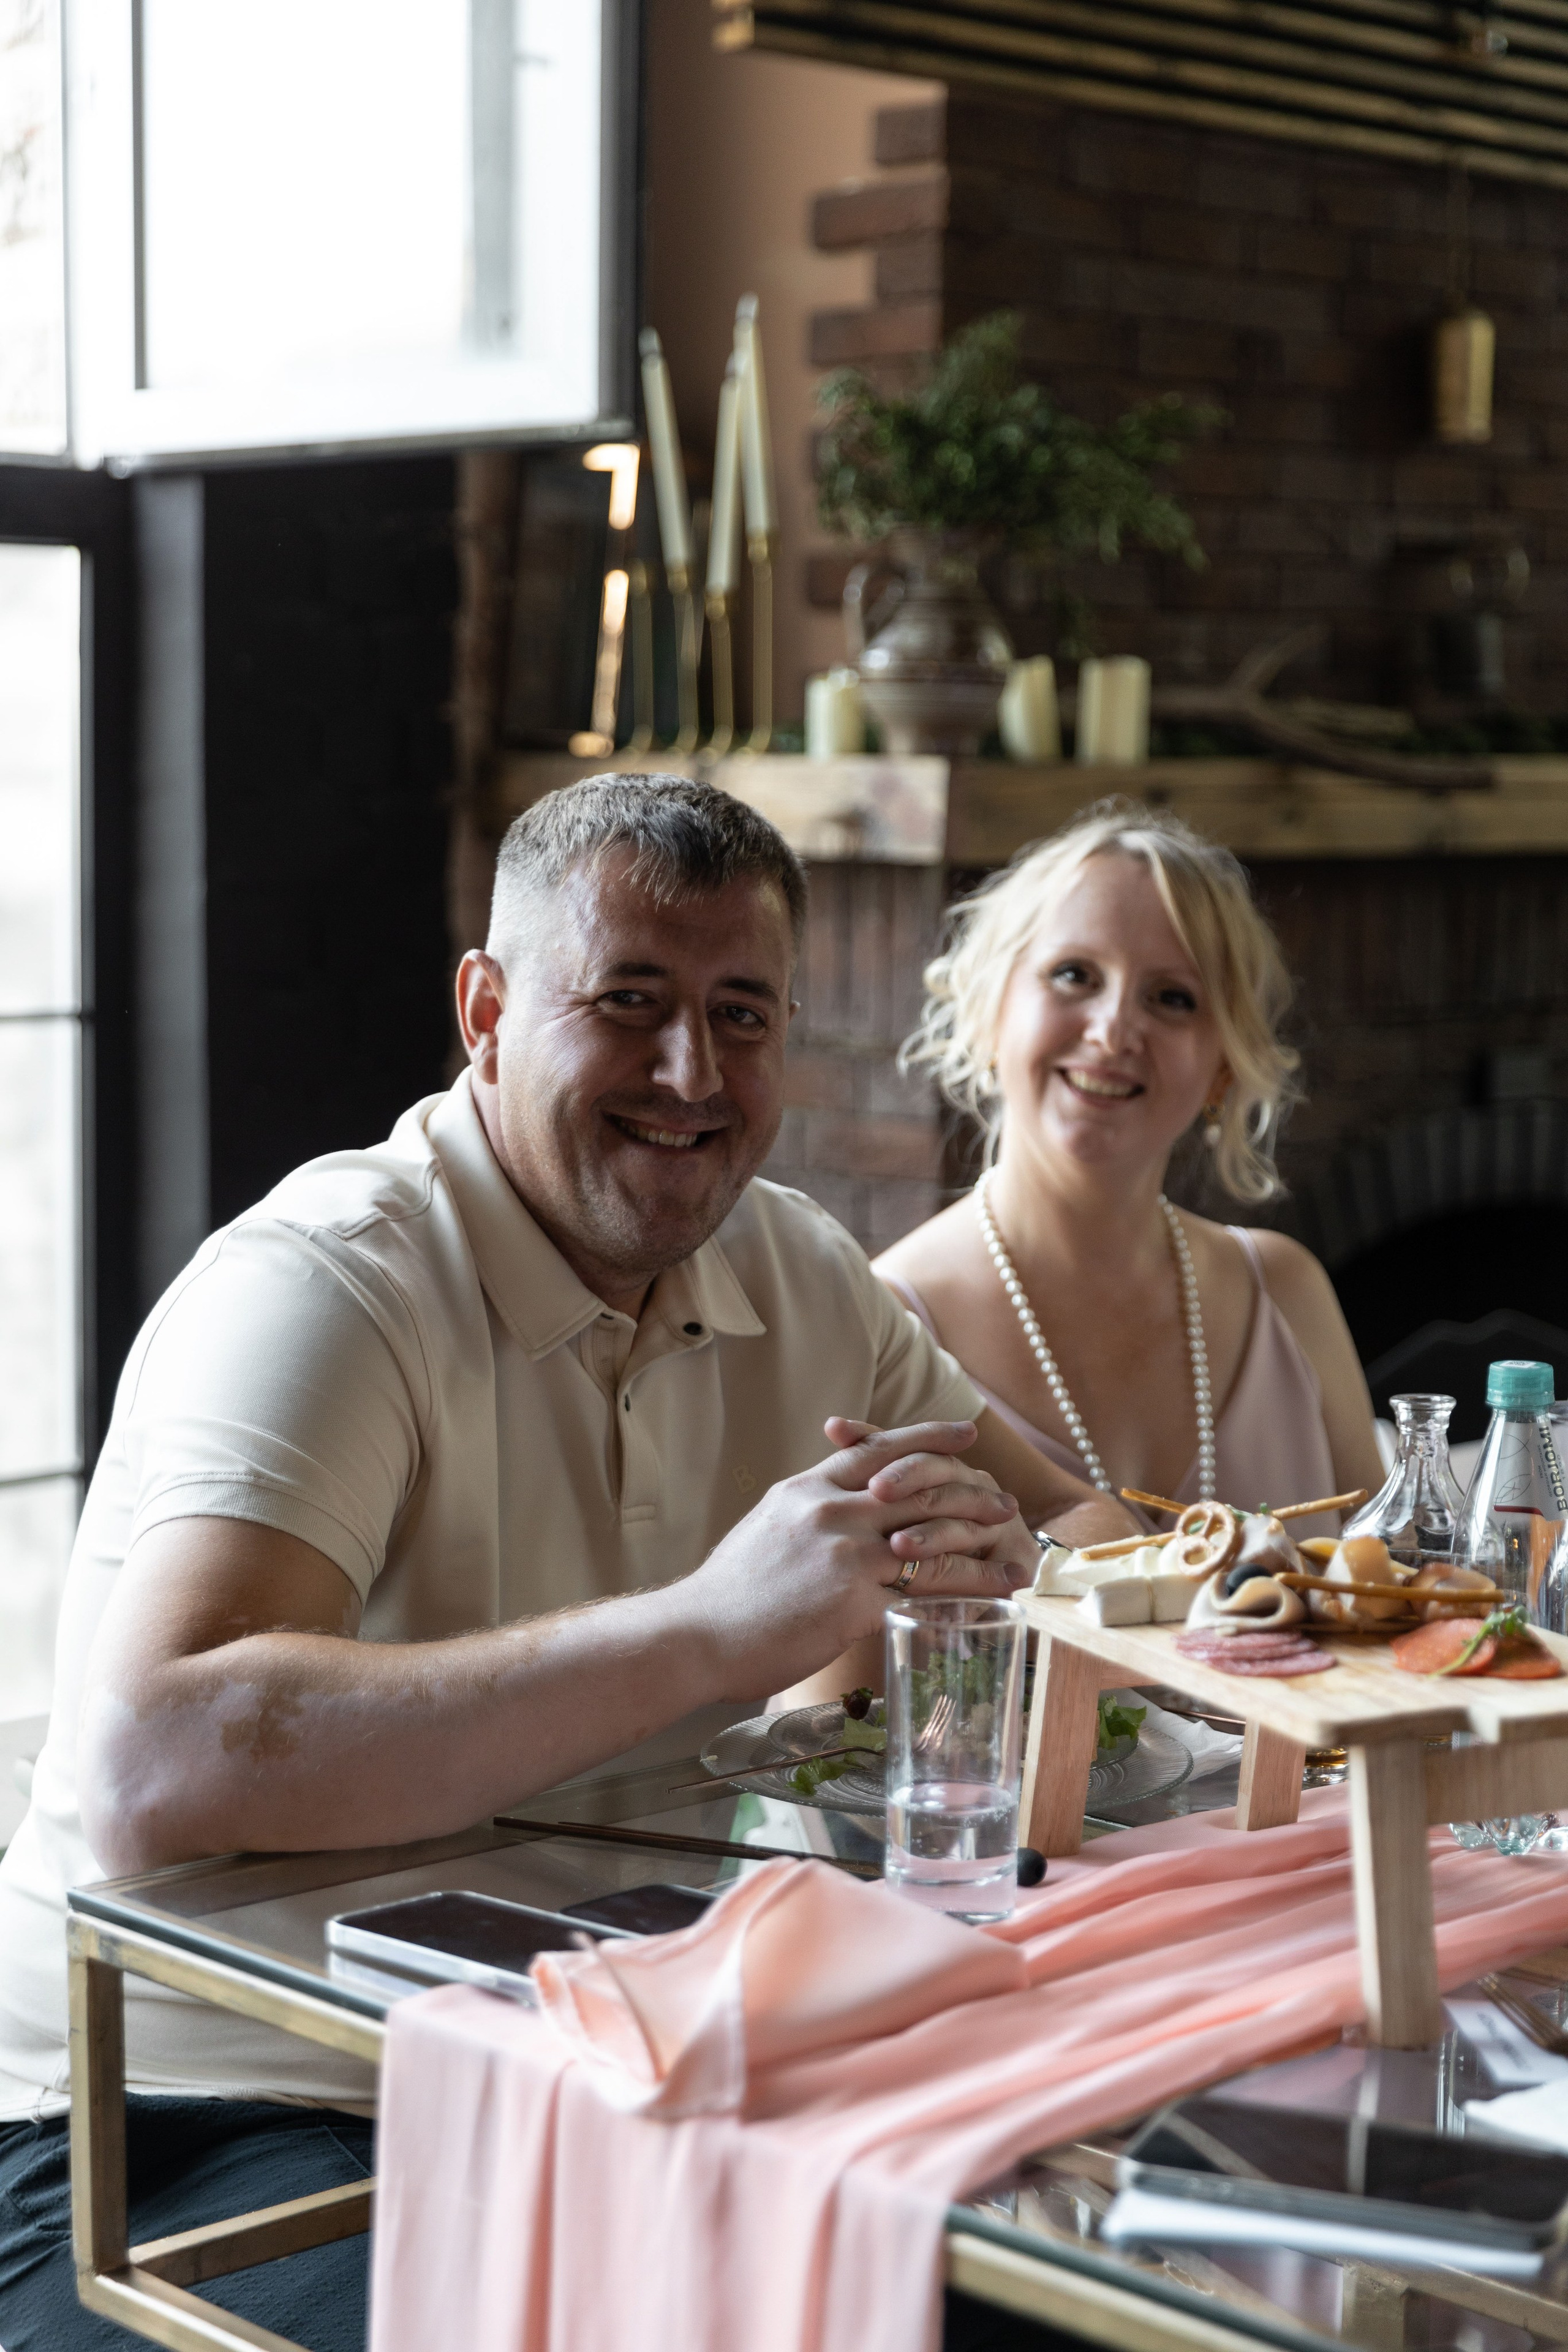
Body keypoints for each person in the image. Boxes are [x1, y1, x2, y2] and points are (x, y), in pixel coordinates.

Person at [0, 777, 1128, 2350]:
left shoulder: (795, 1263)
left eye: (742, 1014)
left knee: (1065, 2302)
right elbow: (154, 1757)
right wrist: (710, 1630)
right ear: (484, 1007)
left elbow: (1085, 1534)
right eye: (629, 1002)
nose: (691, 1072)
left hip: (608, 2068)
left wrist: (1022, 1566)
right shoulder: (328, 1282)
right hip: (190, 2111)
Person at [875, 801, 1383, 1539]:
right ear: (991, 1013)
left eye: (1171, 998)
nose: (1113, 1030)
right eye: (1075, 974)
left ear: (1221, 1069)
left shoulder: (1287, 1292)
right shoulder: (887, 1323)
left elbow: (1396, 1602)